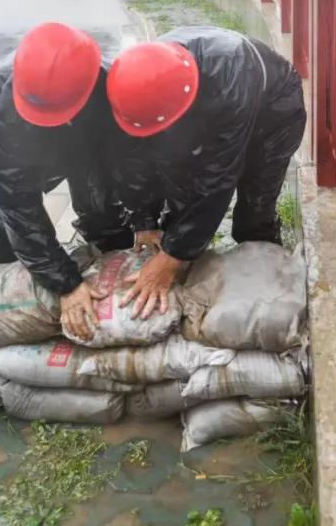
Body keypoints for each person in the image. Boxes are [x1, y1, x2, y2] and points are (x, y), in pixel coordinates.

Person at [106, 26, 306, 318]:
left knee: (254, 208)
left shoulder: (230, 71)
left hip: (273, 112)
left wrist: (172, 257)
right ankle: (184, 259)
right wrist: (144, 220)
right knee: (178, 188)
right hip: (205, 103)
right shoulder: (134, 84)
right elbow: (135, 157)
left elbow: (219, 177)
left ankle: (269, 285)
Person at [0, 22, 132, 340]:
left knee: (103, 208)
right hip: (20, 155)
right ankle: (7, 284)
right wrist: (67, 285)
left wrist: (143, 219)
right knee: (11, 228)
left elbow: (126, 160)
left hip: (85, 142)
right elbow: (20, 210)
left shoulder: (106, 85)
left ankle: (119, 268)